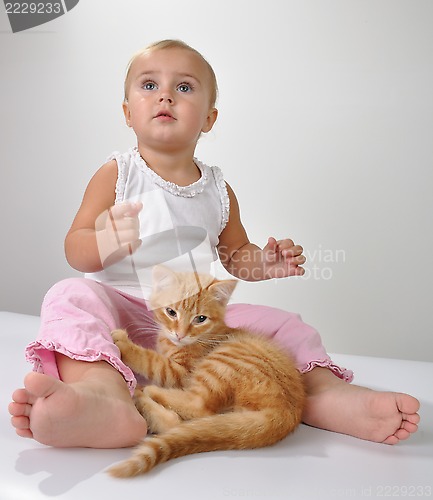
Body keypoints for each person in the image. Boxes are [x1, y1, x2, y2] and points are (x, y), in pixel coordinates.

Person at [9, 40, 420, 449]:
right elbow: (74, 247)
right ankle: (104, 397)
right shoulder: (117, 173)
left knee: (281, 324)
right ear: (127, 112)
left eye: (184, 87)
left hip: (196, 327)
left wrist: (262, 263)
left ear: (208, 118)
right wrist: (104, 240)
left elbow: (235, 255)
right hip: (120, 312)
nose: (165, 95)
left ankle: (324, 395)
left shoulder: (218, 189)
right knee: (70, 295)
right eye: (149, 85)